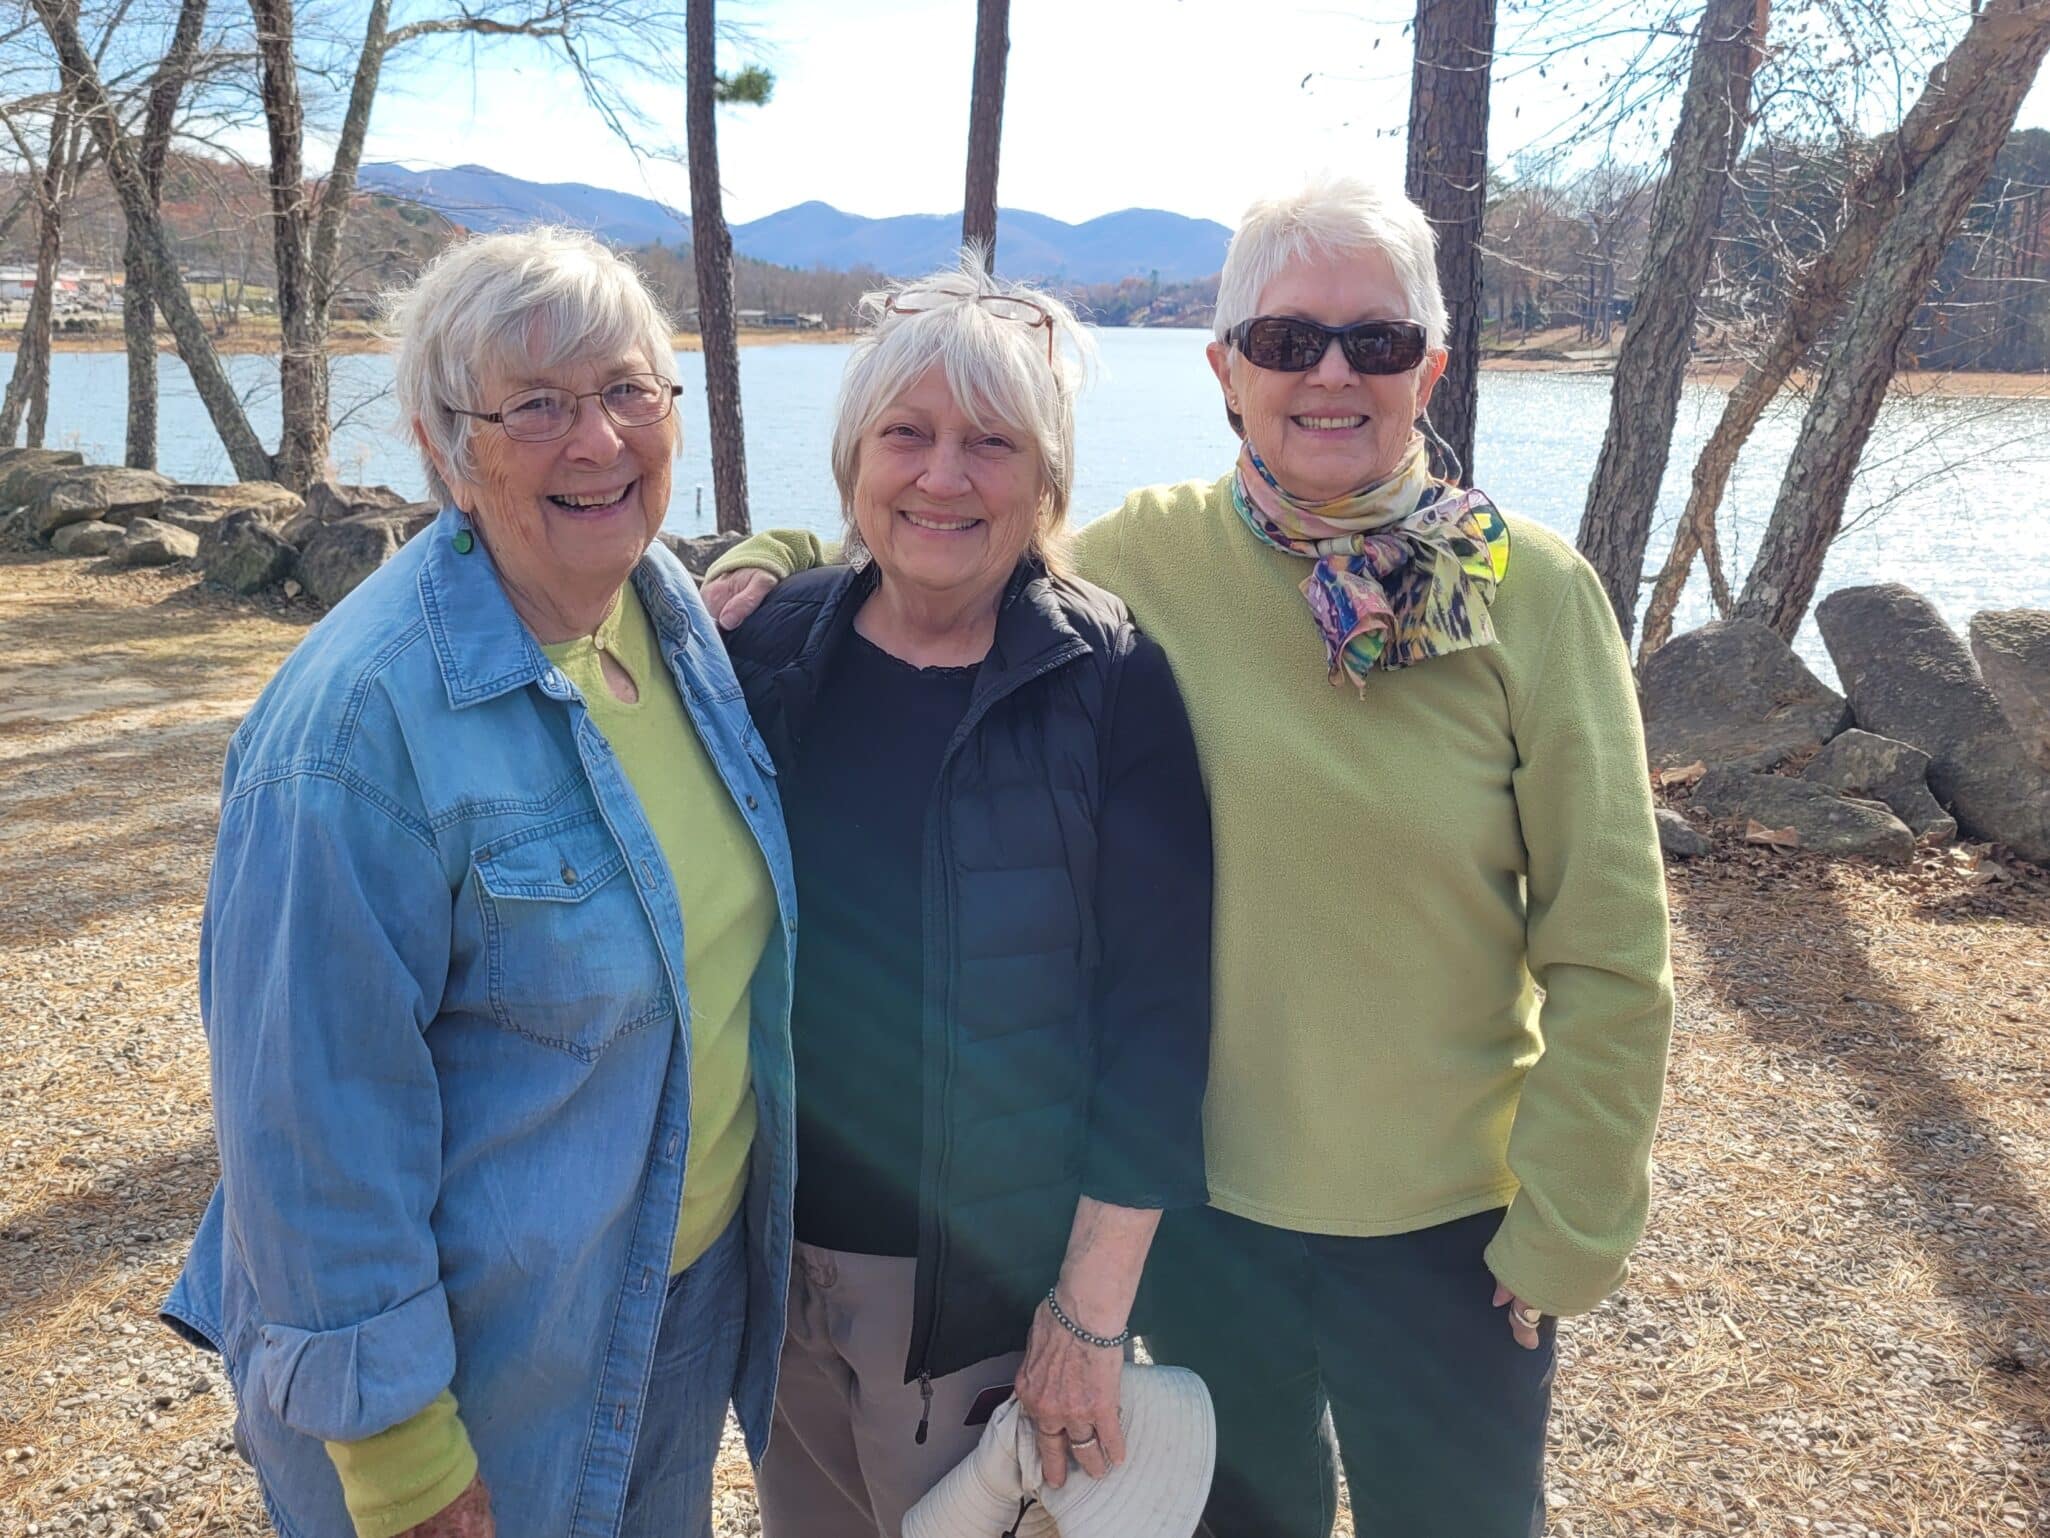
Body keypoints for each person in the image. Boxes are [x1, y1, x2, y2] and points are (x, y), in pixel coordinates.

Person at [701, 178, 1674, 1538]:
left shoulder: (1532, 594)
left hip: (1446, 1223)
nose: (1329, 374)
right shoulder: (1146, 561)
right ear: (1225, 371)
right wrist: (769, 556)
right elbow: (943, 530)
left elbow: (1609, 945)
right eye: (1285, 342)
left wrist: (1569, 1218)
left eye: (1374, 343)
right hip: (1204, 1220)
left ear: (1429, 369)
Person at [162, 227, 797, 1538]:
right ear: (442, 440)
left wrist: (786, 551)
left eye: (627, 390)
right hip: (481, 1375)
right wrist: (399, 1453)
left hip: (663, 1314)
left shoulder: (661, 608)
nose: (598, 441)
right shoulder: (351, 737)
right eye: (536, 407)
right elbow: (308, 1132)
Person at [718, 258, 1213, 1538]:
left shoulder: (1108, 685)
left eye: (990, 442)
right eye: (908, 434)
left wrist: (1089, 1311)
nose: (943, 476)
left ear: (1044, 481)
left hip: (975, 1302)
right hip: (770, 1261)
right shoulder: (769, 653)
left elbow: (1159, 1023)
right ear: (852, 462)